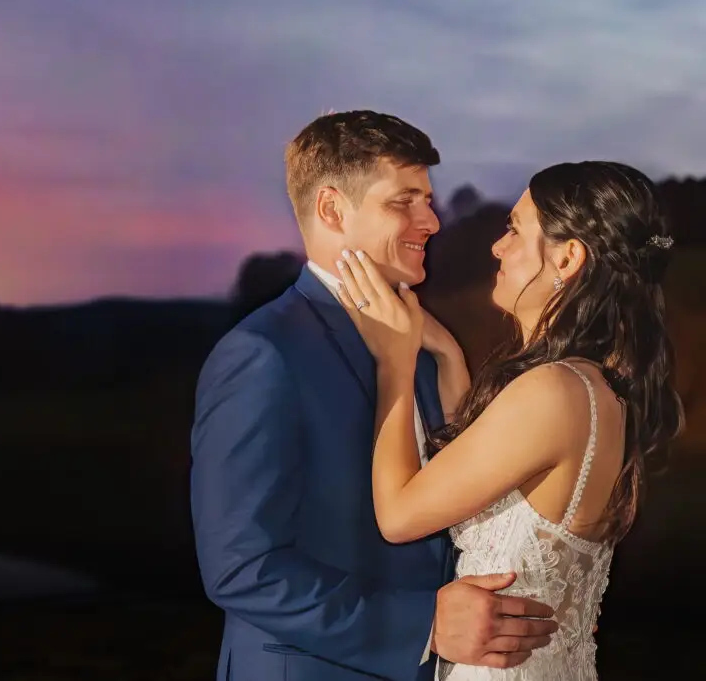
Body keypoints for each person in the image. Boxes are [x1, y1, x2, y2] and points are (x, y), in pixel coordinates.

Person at [190, 110, 557, 681]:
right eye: (403, 201)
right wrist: (423, 625)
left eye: (428, 200)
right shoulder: (263, 354)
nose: (431, 221)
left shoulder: (422, 343)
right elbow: (242, 567)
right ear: (333, 209)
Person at [334, 160, 684, 680]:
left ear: (567, 258)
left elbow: (399, 514)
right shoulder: (598, 389)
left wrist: (395, 362)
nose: (498, 247)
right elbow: (477, 464)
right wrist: (448, 356)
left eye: (515, 230)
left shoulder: (553, 392)